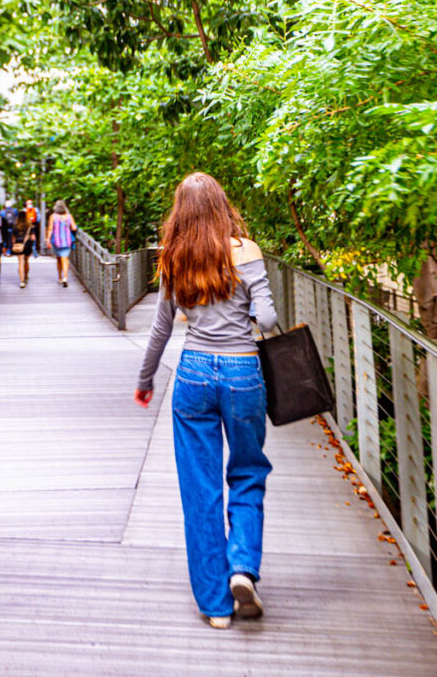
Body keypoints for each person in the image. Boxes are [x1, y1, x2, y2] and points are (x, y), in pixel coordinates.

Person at [134, 172, 277, 630]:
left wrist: (146, 379)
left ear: (181, 212)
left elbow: (160, 327)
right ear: (221, 205)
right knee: (248, 471)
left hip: (192, 373)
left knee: (201, 489)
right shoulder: (246, 251)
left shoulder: (174, 258)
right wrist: (250, 311)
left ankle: (216, 606)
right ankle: (242, 569)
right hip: (242, 374)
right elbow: (270, 320)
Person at [46, 200, 77, 287]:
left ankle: (60, 277)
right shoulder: (69, 216)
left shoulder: (53, 216)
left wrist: (48, 239)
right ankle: (65, 278)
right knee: (65, 259)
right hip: (67, 240)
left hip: (56, 241)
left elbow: (50, 229)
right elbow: (74, 228)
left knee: (59, 259)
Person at [11, 208, 35, 288]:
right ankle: (26, 276)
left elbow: (13, 237)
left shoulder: (15, 225)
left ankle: (22, 281)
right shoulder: (29, 225)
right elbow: (33, 237)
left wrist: (13, 244)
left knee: (20, 262)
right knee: (26, 261)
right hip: (27, 244)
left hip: (18, 243)